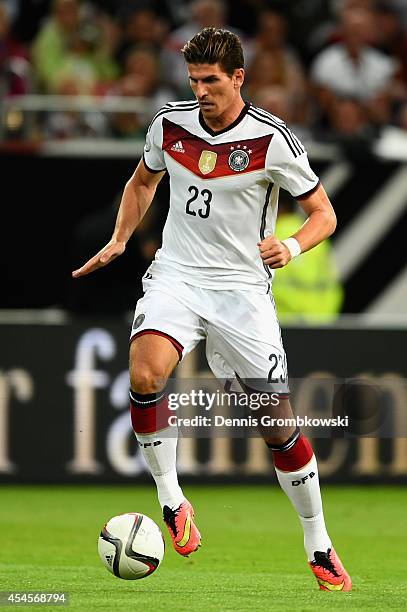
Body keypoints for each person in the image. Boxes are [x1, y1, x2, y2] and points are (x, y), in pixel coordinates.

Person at [72, 27, 352, 592]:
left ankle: (318, 542)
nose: (201, 91)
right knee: (146, 371)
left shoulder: (272, 140)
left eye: (212, 81)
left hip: (242, 290)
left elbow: (323, 213)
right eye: (194, 80)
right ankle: (172, 501)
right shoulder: (169, 124)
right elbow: (142, 180)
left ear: (238, 78)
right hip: (176, 275)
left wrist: (293, 246)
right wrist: (123, 238)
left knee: (278, 426)